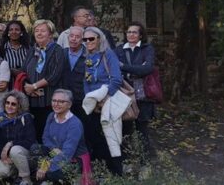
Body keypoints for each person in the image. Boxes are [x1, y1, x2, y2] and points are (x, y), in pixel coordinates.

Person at [81, 27, 123, 176]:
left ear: (100, 39)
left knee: (111, 137)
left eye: (91, 39)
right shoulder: (87, 57)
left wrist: (104, 99)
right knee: (94, 137)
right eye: (84, 40)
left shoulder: (108, 54)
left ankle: (117, 174)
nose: (88, 42)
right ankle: (100, 171)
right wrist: (91, 100)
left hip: (108, 101)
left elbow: (117, 79)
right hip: (93, 104)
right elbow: (86, 82)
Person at [115, 21, 156, 163]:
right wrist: (137, 68)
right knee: (125, 129)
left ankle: (145, 162)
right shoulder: (119, 49)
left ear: (140, 35)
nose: (131, 34)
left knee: (142, 129)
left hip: (142, 95)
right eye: (128, 32)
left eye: (134, 32)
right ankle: (126, 162)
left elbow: (148, 69)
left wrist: (125, 67)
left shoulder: (147, 49)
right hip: (124, 94)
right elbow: (115, 68)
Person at [21, 19, 65, 141]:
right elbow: (23, 71)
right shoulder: (32, 50)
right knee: (35, 133)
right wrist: (27, 87)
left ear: (50, 34)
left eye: (43, 31)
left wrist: (34, 86)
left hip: (49, 101)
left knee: (49, 135)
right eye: (36, 31)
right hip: (32, 100)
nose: (39, 33)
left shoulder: (57, 50)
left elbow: (55, 75)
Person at [32, 89, 89, 184]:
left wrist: (46, 166)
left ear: (69, 105)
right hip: (56, 152)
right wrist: (54, 149)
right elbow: (45, 138)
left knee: (51, 173)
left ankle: (46, 176)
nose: (56, 104)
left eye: (61, 101)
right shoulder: (51, 116)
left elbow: (67, 153)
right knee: (35, 149)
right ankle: (40, 174)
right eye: (54, 100)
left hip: (73, 158)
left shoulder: (75, 124)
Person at [0, 91, 36, 185]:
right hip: (8, 156)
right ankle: (16, 174)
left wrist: (10, 144)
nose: (9, 106)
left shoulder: (26, 118)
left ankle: (26, 179)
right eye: (7, 103)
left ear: (19, 106)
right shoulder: (0, 119)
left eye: (13, 104)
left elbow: (30, 142)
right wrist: (3, 156)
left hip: (25, 154)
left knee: (15, 150)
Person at [63, 26, 89, 126]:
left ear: (82, 39)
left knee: (83, 126)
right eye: (71, 36)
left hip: (82, 99)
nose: (73, 39)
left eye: (77, 37)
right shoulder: (62, 53)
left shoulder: (88, 54)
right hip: (64, 99)